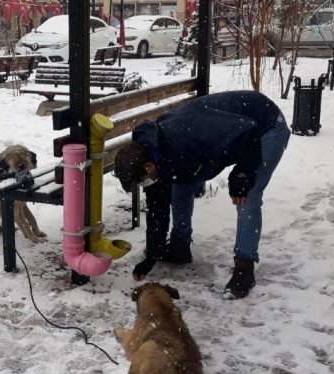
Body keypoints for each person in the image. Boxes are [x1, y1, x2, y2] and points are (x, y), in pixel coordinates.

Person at [113, 90, 291, 299]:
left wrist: (242, 175)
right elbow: (157, 209)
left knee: (247, 197)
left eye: (141, 181)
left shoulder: (186, 136)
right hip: (230, 135)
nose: (145, 185)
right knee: (181, 186)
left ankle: (244, 266)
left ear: (149, 166)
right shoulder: (154, 155)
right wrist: (152, 256)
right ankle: (179, 246)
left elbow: (249, 132)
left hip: (264, 126)